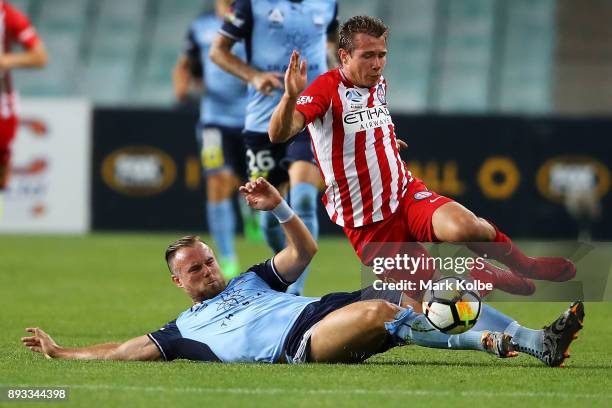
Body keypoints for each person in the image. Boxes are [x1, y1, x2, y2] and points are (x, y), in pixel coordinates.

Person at [22, 178, 583, 367]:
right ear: (178, 281)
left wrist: (281, 209)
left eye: (209, 261)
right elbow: (123, 351)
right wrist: (61, 354)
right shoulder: (180, 332)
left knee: (412, 281)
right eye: (195, 270)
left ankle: (537, 340)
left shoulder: (250, 282)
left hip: (325, 308)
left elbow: (306, 252)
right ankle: (490, 340)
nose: (208, 272)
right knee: (384, 311)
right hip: (303, 343)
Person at [268, 15, 576, 298]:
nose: (377, 64)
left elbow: (367, 123)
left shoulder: (377, 83)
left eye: (382, 55)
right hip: (367, 223)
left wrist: (384, 143)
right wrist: (289, 96)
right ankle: (483, 277)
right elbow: (279, 133)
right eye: (368, 56)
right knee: (435, 306)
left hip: (404, 194)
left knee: (464, 228)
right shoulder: (325, 89)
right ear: (345, 56)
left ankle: (526, 265)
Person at [209, 0, 340, 295]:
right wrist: (253, 76)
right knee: (268, 218)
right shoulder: (249, 5)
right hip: (263, 120)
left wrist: (338, 86)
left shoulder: (328, 4)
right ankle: (288, 263)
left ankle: (296, 293)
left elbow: (330, 46)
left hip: (311, 116)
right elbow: (218, 51)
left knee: (304, 200)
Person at [173, 0, 260, 279]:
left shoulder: (255, 23)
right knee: (217, 180)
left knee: (258, 181)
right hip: (214, 119)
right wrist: (181, 86)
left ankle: (251, 215)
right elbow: (185, 63)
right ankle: (227, 255)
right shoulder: (201, 27)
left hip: (253, 117)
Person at [0, 0, 47, 220]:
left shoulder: (8, 15)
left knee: (2, 155)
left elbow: (39, 56)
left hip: (2, 102)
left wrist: (5, 60)